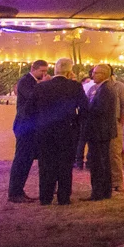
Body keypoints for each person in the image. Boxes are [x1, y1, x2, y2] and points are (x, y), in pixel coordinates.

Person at [33, 58, 87, 205]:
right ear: (69, 72)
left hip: (45, 131)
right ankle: (63, 197)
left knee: (46, 164)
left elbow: (29, 110)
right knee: (65, 165)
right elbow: (84, 108)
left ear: (54, 70)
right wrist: (76, 124)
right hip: (67, 131)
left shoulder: (41, 87)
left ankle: (45, 196)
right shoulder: (75, 87)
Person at [7, 60, 50, 201]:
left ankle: (18, 191)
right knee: (22, 159)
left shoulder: (33, 82)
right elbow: (33, 98)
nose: (44, 74)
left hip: (31, 126)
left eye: (45, 71)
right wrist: (44, 85)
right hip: (25, 126)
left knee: (27, 160)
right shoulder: (25, 81)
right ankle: (15, 192)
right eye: (41, 71)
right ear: (33, 68)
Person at [83, 64, 120, 200]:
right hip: (103, 131)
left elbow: (99, 110)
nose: (92, 75)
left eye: (95, 73)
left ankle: (98, 192)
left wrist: (85, 108)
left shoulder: (105, 90)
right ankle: (104, 191)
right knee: (103, 161)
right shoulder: (105, 88)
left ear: (103, 74)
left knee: (98, 163)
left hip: (99, 131)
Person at [101, 70, 124, 191]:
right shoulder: (94, 87)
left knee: (114, 153)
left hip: (114, 122)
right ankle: (104, 181)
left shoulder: (119, 87)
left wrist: (120, 123)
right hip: (99, 124)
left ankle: (117, 182)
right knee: (102, 154)